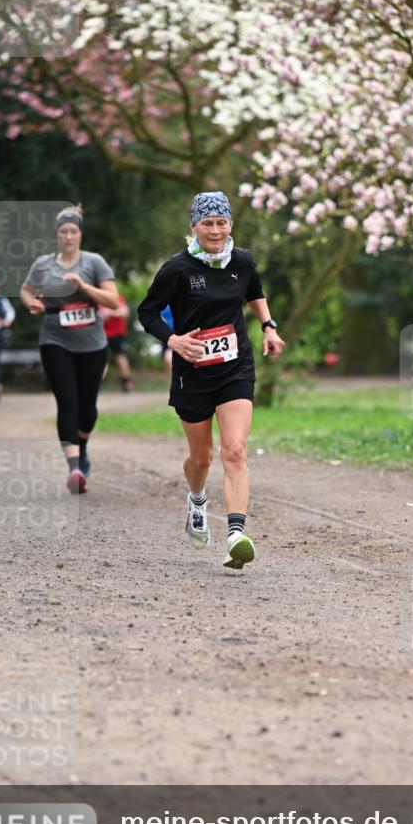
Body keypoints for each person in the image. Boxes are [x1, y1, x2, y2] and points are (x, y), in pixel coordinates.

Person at [138, 190, 285, 570]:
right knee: (201, 458)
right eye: (208, 223)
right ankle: (197, 499)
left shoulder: (242, 261)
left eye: (222, 223)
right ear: (194, 226)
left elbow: (254, 292)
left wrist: (268, 326)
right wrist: (173, 340)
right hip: (193, 372)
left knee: (234, 450)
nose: (216, 231)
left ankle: (235, 535)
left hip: (235, 366)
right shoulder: (177, 269)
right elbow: (147, 312)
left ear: (230, 224)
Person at [19, 205, 119, 493]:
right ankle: (74, 468)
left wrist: (83, 286)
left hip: (93, 345)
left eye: (73, 231)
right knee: (67, 403)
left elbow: (113, 301)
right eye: (63, 232)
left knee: (87, 409)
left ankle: (82, 448)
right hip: (55, 340)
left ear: (80, 234)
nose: (68, 236)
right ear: (56, 235)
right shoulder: (43, 264)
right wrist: (30, 303)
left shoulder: (94, 262)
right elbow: (26, 290)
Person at [101, 292, 133, 391]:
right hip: (102, 334)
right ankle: (96, 384)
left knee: (119, 356)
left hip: (117, 333)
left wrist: (110, 313)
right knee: (102, 358)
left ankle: (126, 383)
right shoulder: (97, 297)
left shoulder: (117, 297)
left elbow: (125, 312)